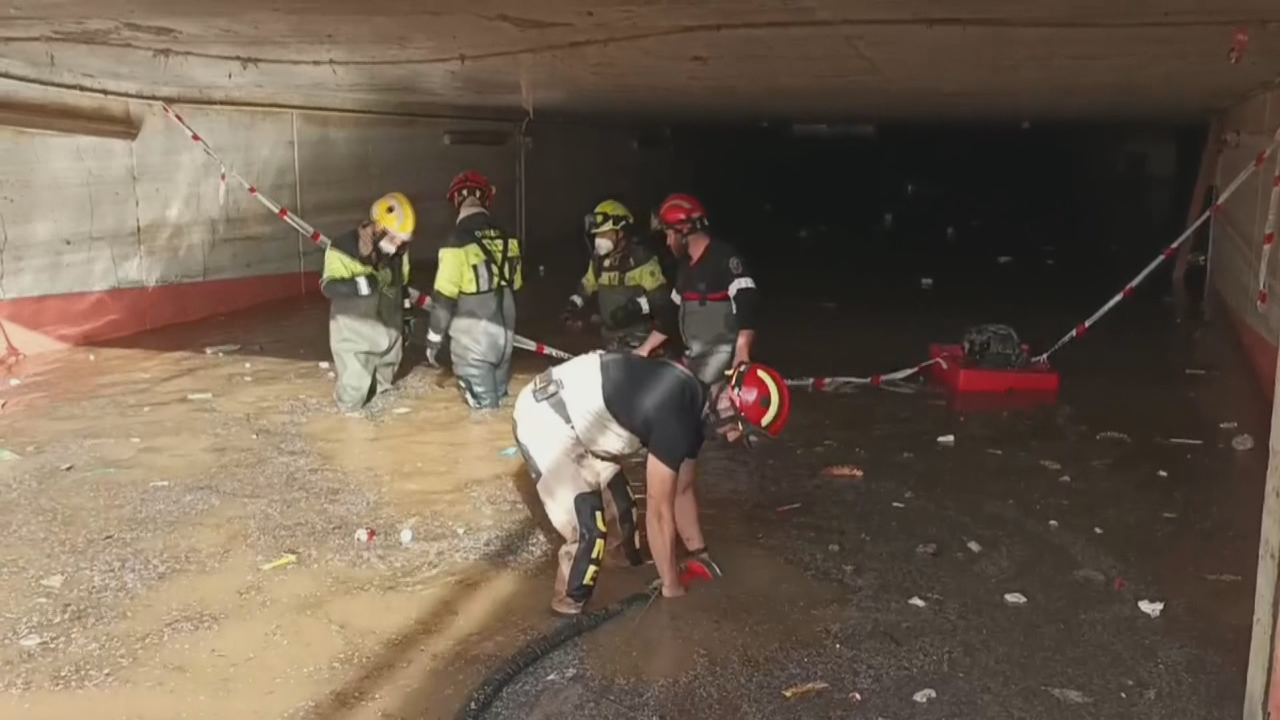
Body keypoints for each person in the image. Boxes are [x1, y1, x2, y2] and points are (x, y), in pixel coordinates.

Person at [511, 351, 791, 615]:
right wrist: (671, 587)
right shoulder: (676, 414)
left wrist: (699, 554)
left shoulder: (696, 406)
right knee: (591, 532)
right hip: (545, 417)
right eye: (736, 428)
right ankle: (567, 611)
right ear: (728, 401)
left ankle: (620, 582)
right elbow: (658, 511)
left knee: (623, 518)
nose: (732, 438)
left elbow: (683, 490)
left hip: (583, 425)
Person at [634, 193, 761, 386]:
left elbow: (747, 301)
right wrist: (644, 349)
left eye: (669, 235)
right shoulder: (685, 267)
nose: (667, 243)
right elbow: (670, 317)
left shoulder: (724, 259)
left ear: (683, 231)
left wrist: (742, 351)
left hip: (721, 362)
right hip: (693, 358)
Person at [425, 170, 523, 410]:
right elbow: (517, 283)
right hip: (504, 341)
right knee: (499, 404)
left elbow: (443, 300)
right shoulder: (509, 238)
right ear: (486, 199)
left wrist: (433, 340)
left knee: (481, 417)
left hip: (473, 343)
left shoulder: (455, 243)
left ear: (457, 201)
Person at [320, 192, 416, 415]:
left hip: (388, 327)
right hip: (354, 330)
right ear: (378, 228)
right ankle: (350, 421)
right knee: (355, 386)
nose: (399, 243)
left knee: (384, 381)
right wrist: (361, 285)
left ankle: (378, 415)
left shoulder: (399, 252)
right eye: (394, 237)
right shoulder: (343, 248)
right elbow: (329, 287)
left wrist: (407, 315)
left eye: (403, 239)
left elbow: (401, 283)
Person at [560, 199, 669, 352]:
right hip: (609, 338)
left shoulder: (641, 260)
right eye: (597, 234)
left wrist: (635, 307)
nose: (599, 239)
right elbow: (586, 287)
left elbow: (661, 299)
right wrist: (572, 308)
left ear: (621, 232)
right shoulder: (598, 261)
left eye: (605, 233)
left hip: (639, 339)